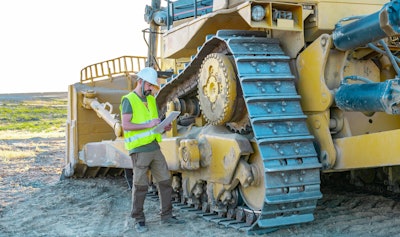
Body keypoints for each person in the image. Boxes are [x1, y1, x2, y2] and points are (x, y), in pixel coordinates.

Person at [120, 67, 184, 233]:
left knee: (165, 181)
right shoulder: (128, 100)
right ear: (140, 82)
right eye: (149, 85)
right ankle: (138, 219)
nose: (151, 88)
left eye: (152, 85)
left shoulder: (151, 100)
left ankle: (167, 215)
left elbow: (154, 127)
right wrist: (148, 125)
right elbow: (126, 125)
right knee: (140, 185)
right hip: (139, 150)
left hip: (154, 147)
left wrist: (164, 126)